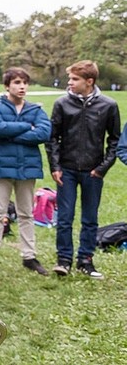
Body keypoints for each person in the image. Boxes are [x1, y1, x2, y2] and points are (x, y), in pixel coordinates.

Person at [46, 60, 120, 279]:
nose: (70, 83)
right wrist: (55, 166)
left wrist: (102, 168)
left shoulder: (108, 106)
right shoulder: (62, 104)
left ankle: (85, 260)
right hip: (66, 170)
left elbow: (115, 141)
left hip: (92, 172)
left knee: (90, 218)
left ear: (89, 81)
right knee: (65, 218)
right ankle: (64, 260)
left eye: (75, 79)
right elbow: (52, 138)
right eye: (69, 78)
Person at [0, 67, 51, 275]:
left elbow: (44, 132)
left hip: (27, 169)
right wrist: (26, 127)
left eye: (24, 83)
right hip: (1, 168)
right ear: (7, 86)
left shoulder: (36, 110)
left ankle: (29, 256)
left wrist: (13, 132)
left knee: (26, 213)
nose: (22, 87)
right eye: (17, 83)